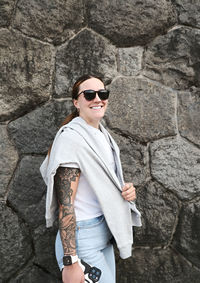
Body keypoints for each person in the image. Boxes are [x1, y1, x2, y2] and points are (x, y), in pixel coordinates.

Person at [40, 74, 142, 283]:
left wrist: (124, 190)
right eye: (89, 94)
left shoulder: (102, 135)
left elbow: (101, 182)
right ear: (76, 102)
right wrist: (70, 261)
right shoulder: (72, 138)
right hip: (82, 238)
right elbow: (65, 204)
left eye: (102, 93)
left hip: (103, 232)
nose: (97, 99)